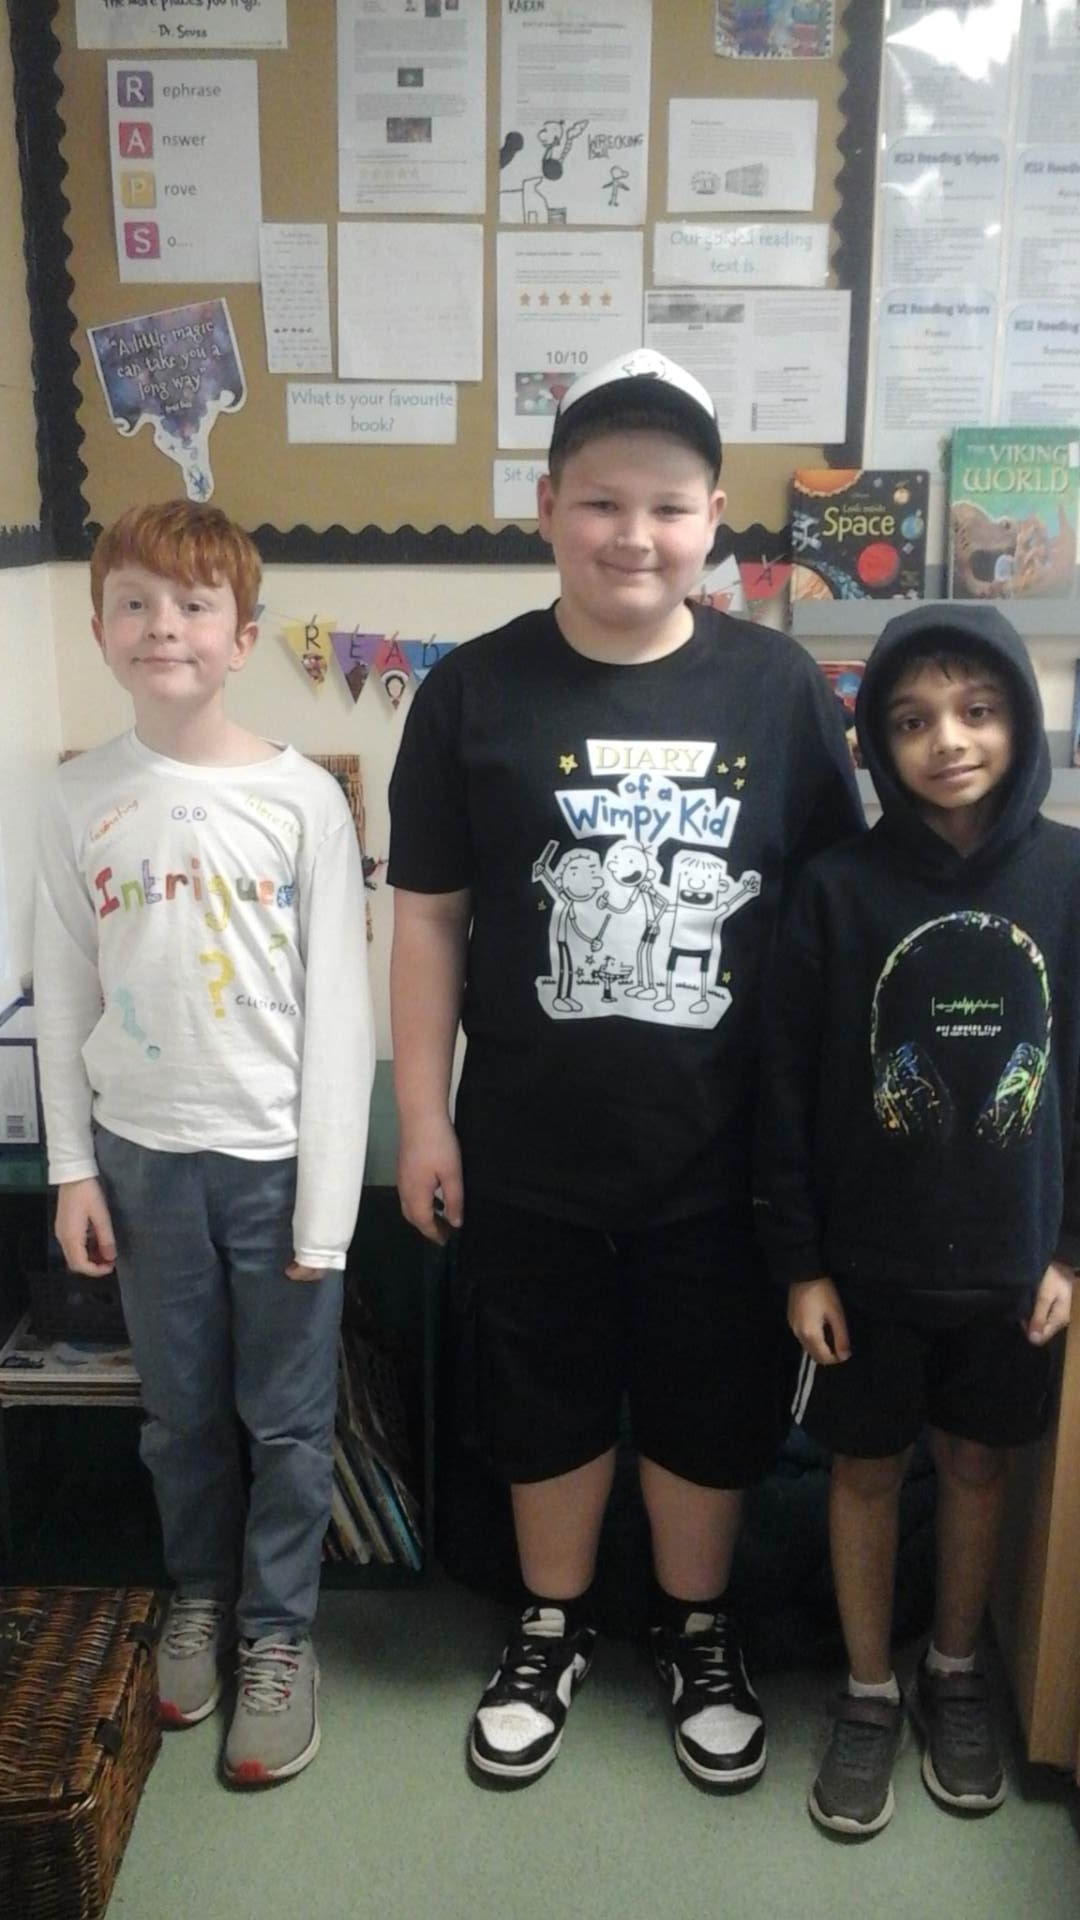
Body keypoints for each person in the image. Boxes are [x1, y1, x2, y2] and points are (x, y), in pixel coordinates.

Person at [387, 349, 861, 1787]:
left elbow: (834, 927)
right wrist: (422, 1119)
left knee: (712, 1398)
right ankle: (550, 1623)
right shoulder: (472, 693)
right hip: (528, 1143)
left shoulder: (779, 689)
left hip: (724, 1152)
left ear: (714, 518)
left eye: (667, 506)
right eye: (601, 502)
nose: (633, 536)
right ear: (546, 507)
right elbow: (428, 919)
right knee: (545, 1392)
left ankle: (697, 1626)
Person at [34, 501, 374, 1787]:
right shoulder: (76, 797)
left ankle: (278, 1633)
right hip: (142, 1163)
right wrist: (73, 1166)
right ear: (100, 628)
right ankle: (198, 1598)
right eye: (134, 602)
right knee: (178, 1416)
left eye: (192, 605)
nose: (162, 626)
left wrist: (326, 1212)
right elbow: (63, 990)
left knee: (285, 1425)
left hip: (277, 1166)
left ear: (242, 635)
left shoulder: (302, 801)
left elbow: (340, 1016)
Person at [756, 603, 1077, 1836]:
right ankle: (868, 1690)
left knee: (980, 1466)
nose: (948, 739)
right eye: (912, 719)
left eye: (977, 711)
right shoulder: (836, 890)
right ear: (878, 743)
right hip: (864, 1269)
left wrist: (1070, 1250)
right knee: (866, 1470)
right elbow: (785, 1088)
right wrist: (802, 1265)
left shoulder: (1069, 877)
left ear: (1020, 721)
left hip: (1012, 1266)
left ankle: (952, 1673)